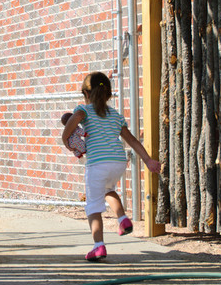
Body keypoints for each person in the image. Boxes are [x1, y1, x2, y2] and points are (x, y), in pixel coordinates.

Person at [62, 71, 161, 262]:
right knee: (109, 189)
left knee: (93, 206)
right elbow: (132, 140)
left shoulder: (83, 110)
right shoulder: (115, 115)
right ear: (108, 95)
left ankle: (98, 246)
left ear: (86, 93)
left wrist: (66, 139)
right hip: (117, 162)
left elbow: (72, 122)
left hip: (97, 164)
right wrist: (148, 160)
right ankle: (122, 219)